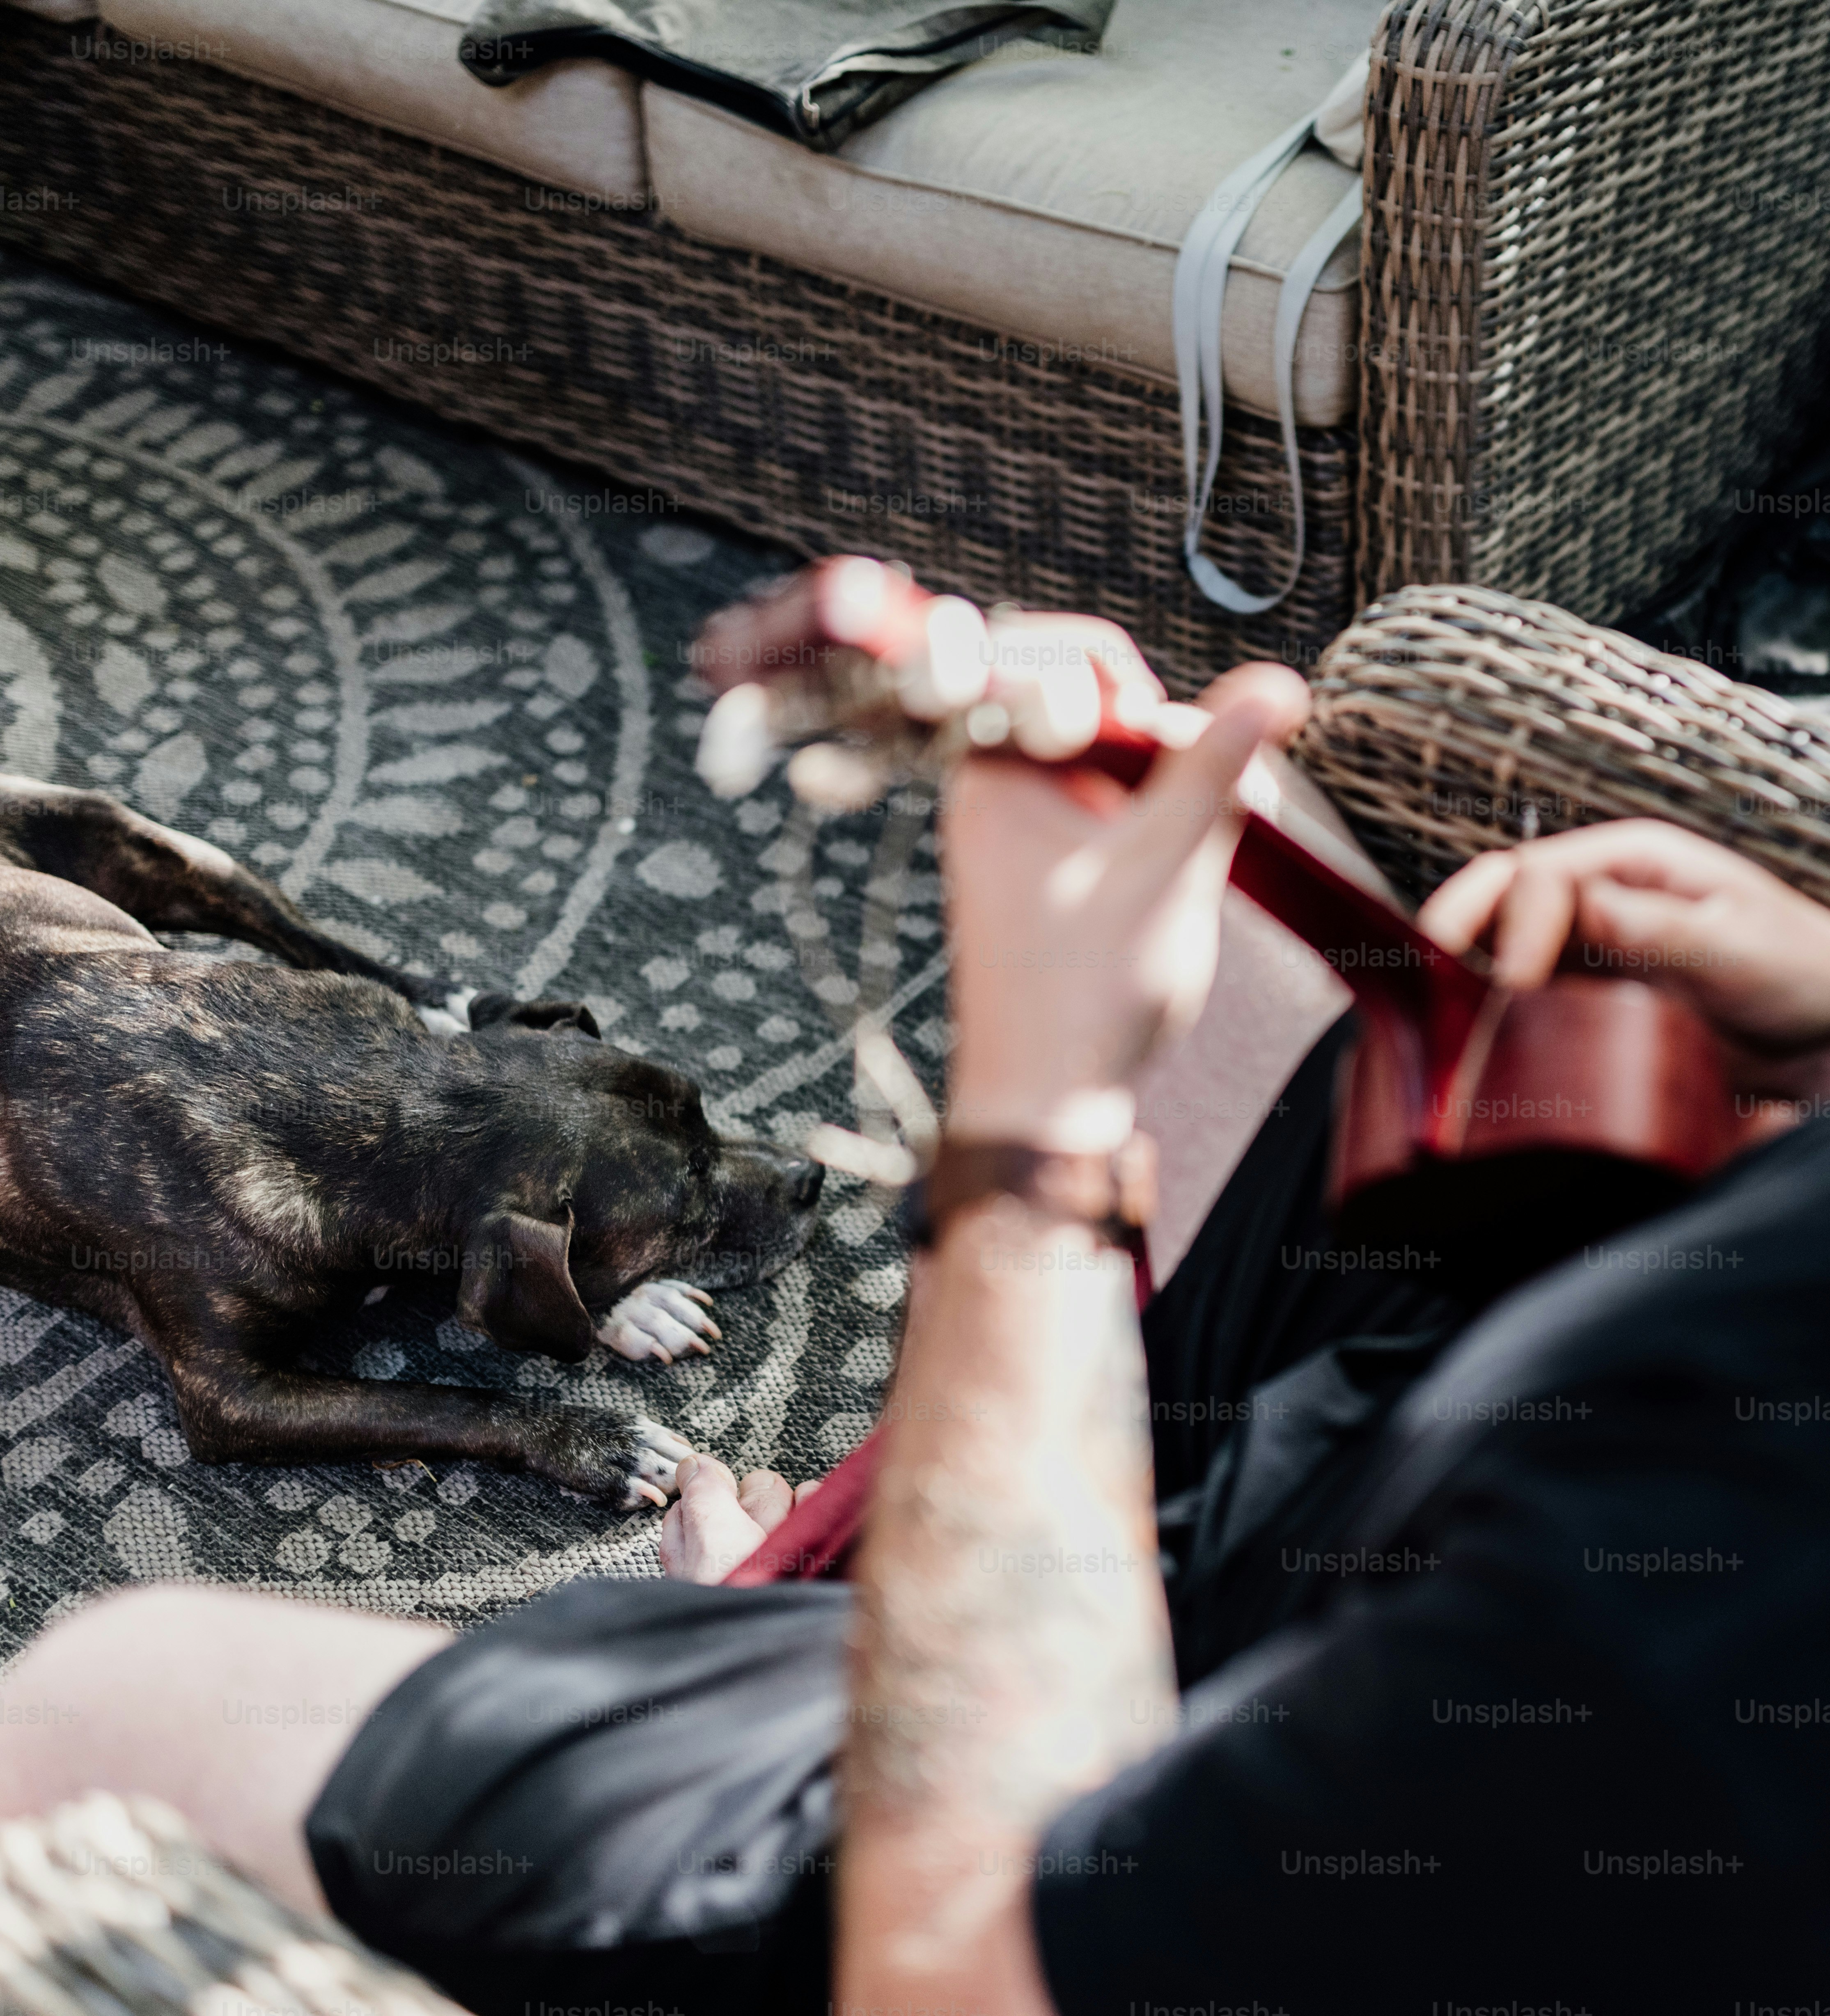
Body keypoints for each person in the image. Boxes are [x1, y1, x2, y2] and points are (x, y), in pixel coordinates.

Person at [7, 658, 1830, 2016]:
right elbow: (228, 1390)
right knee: (1189, 795)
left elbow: (964, 1970)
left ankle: (815, 1612)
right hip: (1509, 1402)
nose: (785, 1182)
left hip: (1176, 1769)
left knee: (92, 1688)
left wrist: (1031, 1145)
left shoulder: (1667, 1668)